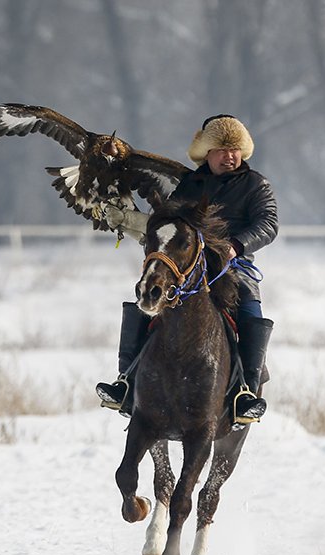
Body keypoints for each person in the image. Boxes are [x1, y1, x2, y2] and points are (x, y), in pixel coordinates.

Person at [96, 114, 278, 427]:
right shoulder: (189, 184)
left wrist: (236, 244)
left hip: (234, 265)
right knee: (147, 297)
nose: (228, 156)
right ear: (207, 153)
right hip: (187, 264)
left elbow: (268, 224)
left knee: (250, 305)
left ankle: (245, 392)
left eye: (234, 150)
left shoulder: (255, 184)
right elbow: (170, 220)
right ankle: (125, 382)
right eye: (221, 150)